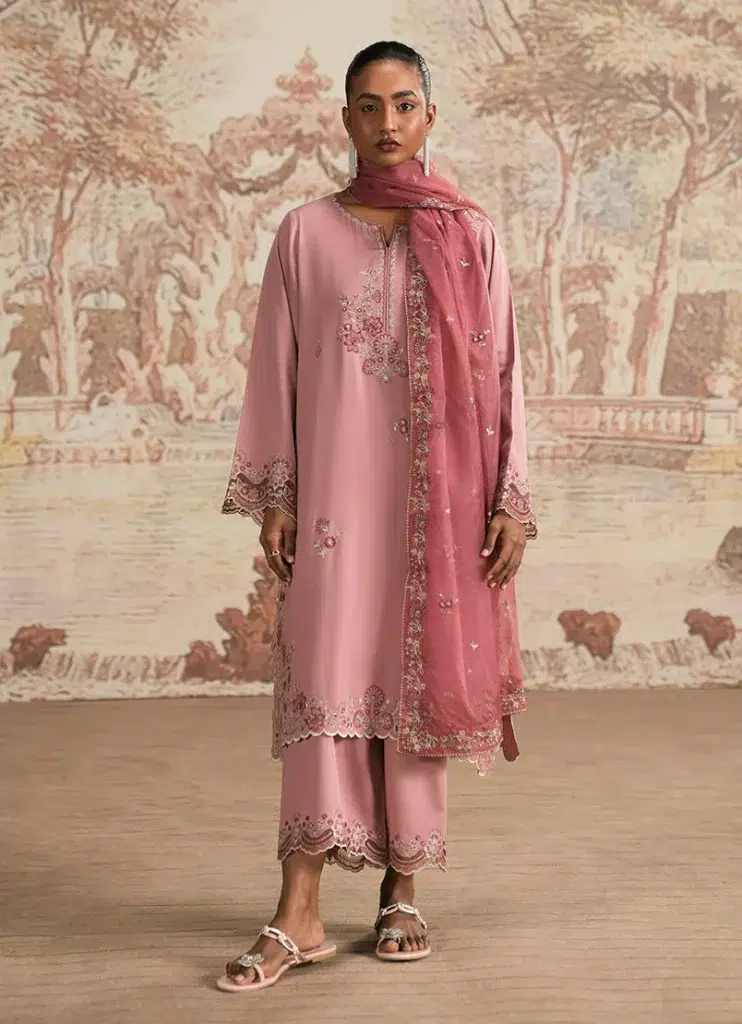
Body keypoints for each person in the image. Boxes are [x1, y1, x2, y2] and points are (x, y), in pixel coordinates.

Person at [216, 40, 536, 993]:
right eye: (368, 105)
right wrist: (276, 492)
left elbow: (507, 372)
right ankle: (300, 911)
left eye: (403, 104)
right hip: (334, 508)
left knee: (416, 683)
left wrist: (511, 498)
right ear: (346, 118)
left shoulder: (470, 233)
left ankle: (402, 890)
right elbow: (274, 368)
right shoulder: (304, 233)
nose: (387, 122)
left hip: (441, 508)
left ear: (430, 115)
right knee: (322, 683)